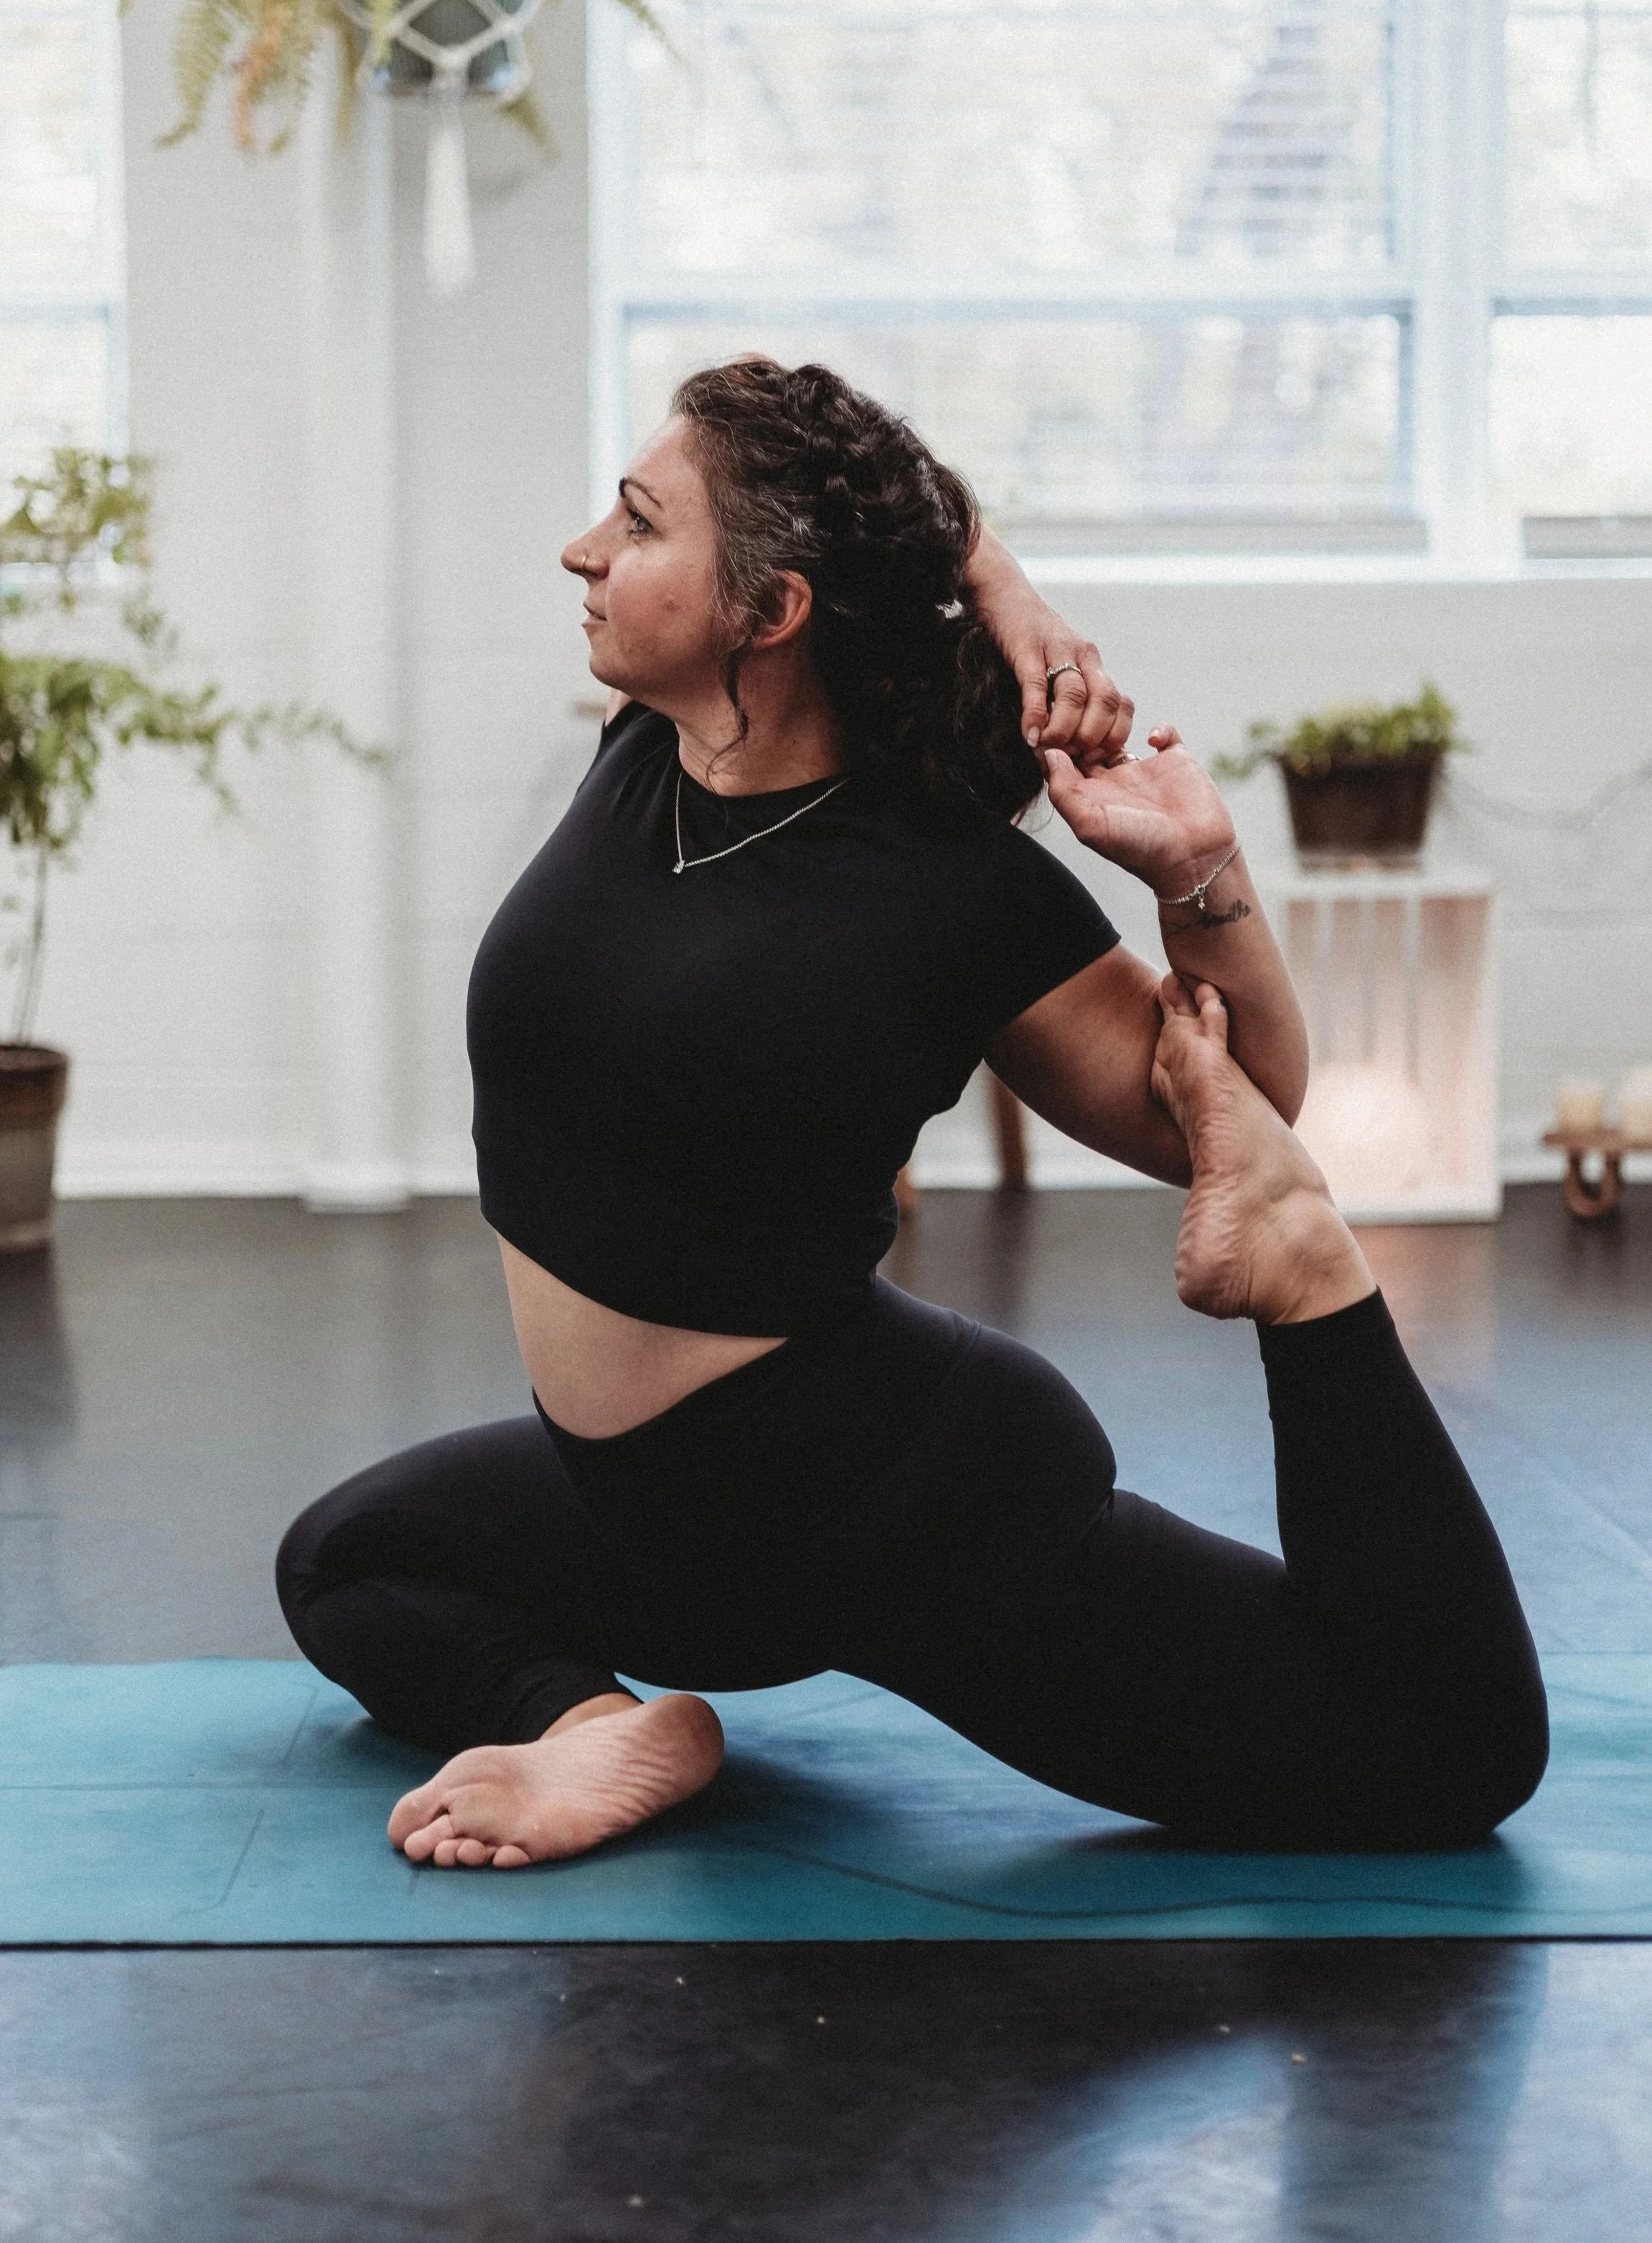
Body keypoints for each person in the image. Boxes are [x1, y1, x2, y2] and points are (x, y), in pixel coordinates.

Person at [276, 358, 1547, 1868]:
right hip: (637, 1498)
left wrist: (1194, 874)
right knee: (346, 1562)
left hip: (869, 1500)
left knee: (1432, 1751)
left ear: (772, 609)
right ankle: (602, 1729)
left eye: (635, 521)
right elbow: (847, 471)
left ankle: (1314, 1289)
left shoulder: (942, 880)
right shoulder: (649, 751)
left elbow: (1229, 1106)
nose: (583, 549)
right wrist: (999, 582)